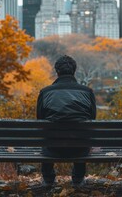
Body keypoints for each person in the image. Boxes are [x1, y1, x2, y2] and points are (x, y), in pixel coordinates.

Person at [36, 55, 96, 187]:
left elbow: (40, 120)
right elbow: (92, 120)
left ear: (57, 72)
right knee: (82, 134)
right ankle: (78, 179)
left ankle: (48, 179)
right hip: (80, 149)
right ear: (74, 71)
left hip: (52, 148)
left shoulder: (45, 92)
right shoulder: (87, 92)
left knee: (47, 134)